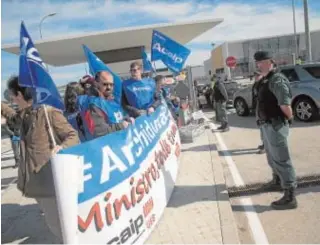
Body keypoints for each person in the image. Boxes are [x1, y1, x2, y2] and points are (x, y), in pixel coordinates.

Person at [2, 75, 79, 241]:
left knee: (60, 227)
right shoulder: (24, 114)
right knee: (56, 225)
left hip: (50, 183)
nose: (12, 100)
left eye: (12, 96)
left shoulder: (48, 112)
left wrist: (62, 147)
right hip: (36, 184)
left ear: (20, 95)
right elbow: (12, 118)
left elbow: (72, 136)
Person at [254, 51, 297, 210]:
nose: (258, 65)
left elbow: (285, 104)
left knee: (281, 159)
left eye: (261, 62)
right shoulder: (265, 79)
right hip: (266, 124)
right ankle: (277, 181)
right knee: (272, 157)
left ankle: (290, 195)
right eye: (257, 62)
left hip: (275, 124)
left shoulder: (277, 79)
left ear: (270, 61)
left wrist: (289, 118)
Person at [77, 71, 135, 139]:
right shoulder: (93, 104)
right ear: (96, 84)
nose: (109, 87)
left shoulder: (110, 100)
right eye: (105, 84)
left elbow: (114, 118)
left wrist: (126, 119)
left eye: (111, 84)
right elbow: (99, 132)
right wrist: (120, 126)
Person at [1, 102, 21, 168]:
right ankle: (18, 161)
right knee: (16, 147)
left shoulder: (15, 112)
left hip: (19, 131)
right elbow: (5, 127)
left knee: (20, 147)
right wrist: (13, 134)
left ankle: (20, 161)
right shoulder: (4, 115)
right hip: (14, 133)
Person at [252, 71, 265, 154]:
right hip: (258, 107)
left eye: (258, 75)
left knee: (264, 128)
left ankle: (266, 146)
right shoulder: (256, 84)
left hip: (263, 109)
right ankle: (264, 143)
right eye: (255, 75)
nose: (256, 76)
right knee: (261, 126)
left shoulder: (263, 84)